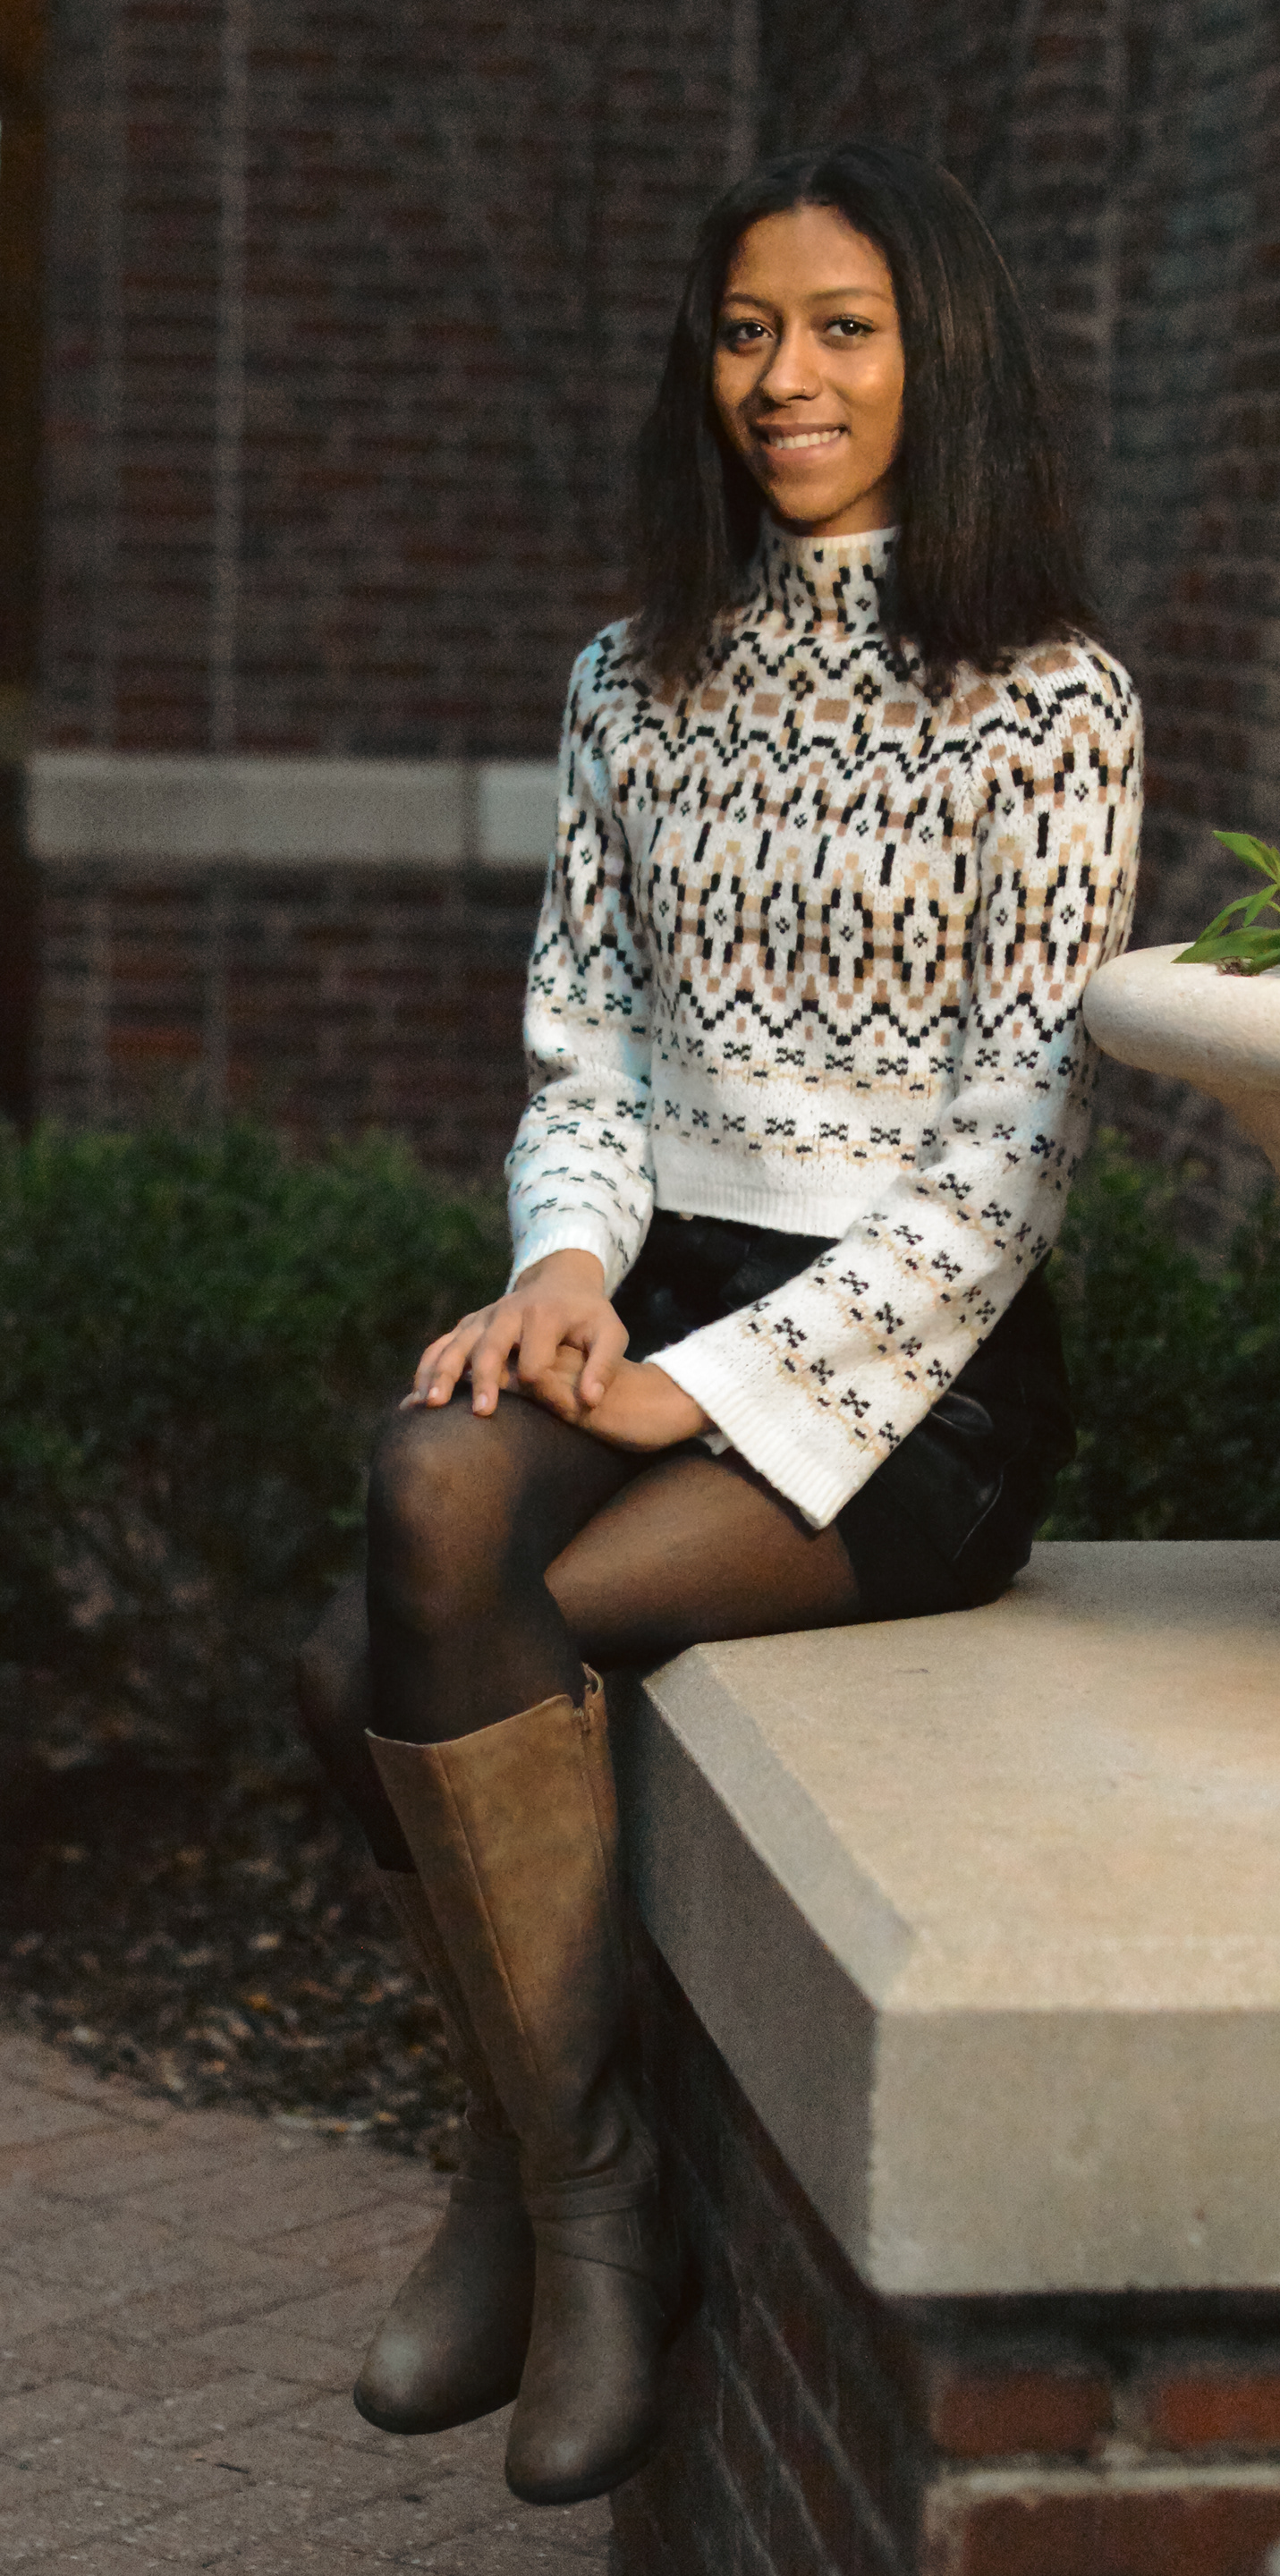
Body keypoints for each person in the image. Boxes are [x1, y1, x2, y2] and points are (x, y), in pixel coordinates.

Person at [295, 138, 1142, 2508]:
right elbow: (588, 1048)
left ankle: (542, 2187)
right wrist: (566, 1270)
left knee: (380, 1668)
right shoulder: (629, 678)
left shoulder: (1046, 703)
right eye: (751, 330)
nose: (788, 377)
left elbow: (1009, 1161)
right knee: (427, 1489)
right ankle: (583, 2182)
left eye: (844, 329)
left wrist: (709, 1384)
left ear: (938, 356)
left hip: (909, 1381)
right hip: (650, 1288)